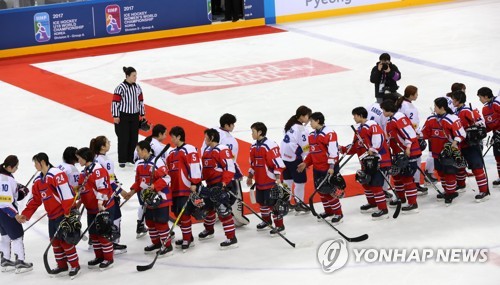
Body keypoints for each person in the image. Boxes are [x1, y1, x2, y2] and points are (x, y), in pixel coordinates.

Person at [17, 153, 80, 277]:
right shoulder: (38, 181)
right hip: (52, 216)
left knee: (66, 241)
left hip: (63, 214)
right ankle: (62, 265)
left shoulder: (56, 174)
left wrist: (67, 212)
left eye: (36, 163)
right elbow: (35, 200)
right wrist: (25, 214)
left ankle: (75, 265)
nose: (35, 165)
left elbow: (67, 194)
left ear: (42, 162)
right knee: (55, 241)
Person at [342, 108, 392, 219]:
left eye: (354, 115)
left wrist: (373, 149)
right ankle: (373, 203)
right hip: (367, 163)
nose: (353, 118)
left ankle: (383, 209)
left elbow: (377, 142)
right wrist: (342, 149)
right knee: (365, 182)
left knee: (375, 185)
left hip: (378, 161)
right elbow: (355, 146)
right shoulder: (359, 130)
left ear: (360, 115)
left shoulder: (372, 126)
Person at [201, 113, 249, 227]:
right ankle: (238, 217)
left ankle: (217, 214)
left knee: (213, 195)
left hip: (211, 172)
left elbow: (204, 151)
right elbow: (230, 160)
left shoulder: (212, 132)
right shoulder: (229, 140)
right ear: (227, 125)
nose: (233, 126)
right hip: (224, 173)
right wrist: (237, 173)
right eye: (232, 124)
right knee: (234, 194)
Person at [126, 140, 173, 256]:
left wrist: (154, 186)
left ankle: (167, 246)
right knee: (150, 222)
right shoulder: (140, 164)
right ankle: (156, 243)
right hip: (148, 199)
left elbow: (167, 178)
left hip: (160, 198)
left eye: (138, 150)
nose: (137, 153)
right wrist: (131, 192)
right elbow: (138, 181)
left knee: (161, 222)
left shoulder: (158, 162)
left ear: (145, 150)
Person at [297, 113, 344, 224]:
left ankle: (338, 214)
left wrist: (332, 167)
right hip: (317, 169)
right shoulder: (312, 135)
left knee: (330, 192)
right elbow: (312, 152)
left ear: (318, 121)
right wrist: (305, 163)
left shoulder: (329, 133)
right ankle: (329, 211)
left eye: (311, 121)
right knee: (321, 191)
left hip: (328, 168)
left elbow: (333, 152)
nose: (310, 124)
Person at [75, 147, 115, 270]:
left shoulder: (98, 170)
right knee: (94, 235)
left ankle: (108, 258)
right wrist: (80, 202)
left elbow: (103, 188)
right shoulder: (84, 172)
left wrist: (100, 203)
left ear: (85, 158)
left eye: (79, 158)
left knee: (103, 234)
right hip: (91, 209)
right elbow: (84, 190)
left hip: (102, 208)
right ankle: (99, 256)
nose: (78, 161)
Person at [421, 98, 466, 205]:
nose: (434, 108)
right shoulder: (431, 119)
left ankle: (450, 193)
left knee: (449, 173)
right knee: (441, 173)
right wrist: (417, 136)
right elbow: (425, 132)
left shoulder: (453, 119)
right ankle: (447, 190)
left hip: (449, 153)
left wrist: (455, 142)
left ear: (442, 108)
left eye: (436, 106)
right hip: (436, 153)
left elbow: (461, 134)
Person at [199, 128, 238, 249]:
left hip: (221, 186)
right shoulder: (206, 152)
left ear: (211, 138)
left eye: (206, 137)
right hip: (210, 186)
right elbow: (205, 171)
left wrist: (224, 183)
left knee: (223, 211)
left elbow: (230, 168)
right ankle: (209, 230)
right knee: (208, 208)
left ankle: (231, 238)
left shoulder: (222, 149)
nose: (204, 140)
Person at [381, 100, 422, 213]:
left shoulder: (398, 118)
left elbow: (410, 134)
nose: (382, 112)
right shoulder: (391, 120)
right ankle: (401, 198)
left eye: (383, 110)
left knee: (407, 177)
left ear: (387, 109)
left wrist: (408, 147)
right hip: (398, 153)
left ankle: (413, 204)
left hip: (408, 153)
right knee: (397, 176)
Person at [90, 136, 130, 253]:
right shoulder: (106, 161)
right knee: (115, 216)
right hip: (106, 194)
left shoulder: (94, 158)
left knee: (99, 217)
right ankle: (113, 243)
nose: (109, 143)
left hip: (95, 193)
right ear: (102, 147)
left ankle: (96, 242)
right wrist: (121, 192)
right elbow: (110, 181)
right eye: (108, 142)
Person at [246, 122, 287, 235]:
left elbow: (278, 163)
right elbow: (253, 164)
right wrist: (250, 177)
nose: (252, 134)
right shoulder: (253, 146)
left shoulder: (270, 145)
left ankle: (279, 226)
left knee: (273, 204)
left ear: (260, 132)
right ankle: (266, 221)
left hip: (270, 181)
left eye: (253, 132)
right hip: (259, 180)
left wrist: (278, 178)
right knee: (262, 202)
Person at [166, 126, 202, 251]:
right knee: (177, 214)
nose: (171, 139)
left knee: (185, 214)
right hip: (175, 188)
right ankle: (189, 236)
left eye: (173, 137)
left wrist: (194, 182)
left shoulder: (189, 149)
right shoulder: (171, 153)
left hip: (186, 188)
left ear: (179, 137)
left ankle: (187, 239)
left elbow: (195, 166)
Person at [450, 91, 490, 201]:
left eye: (453, 99)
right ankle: (461, 185)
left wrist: (474, 132)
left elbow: (481, 124)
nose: (452, 101)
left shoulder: (467, 111)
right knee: (459, 164)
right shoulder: (455, 111)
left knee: (476, 167)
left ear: (458, 100)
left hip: (471, 144)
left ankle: (484, 191)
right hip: (460, 143)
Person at [0, 155, 33, 273]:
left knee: (5, 235)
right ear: (9, 167)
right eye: (16, 167)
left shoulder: (5, 176)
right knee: (17, 235)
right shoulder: (6, 180)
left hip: (1, 214)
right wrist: (15, 215)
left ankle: (5, 260)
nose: (17, 169)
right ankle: (20, 262)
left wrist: (18, 191)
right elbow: (4, 202)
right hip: (6, 212)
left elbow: (12, 195)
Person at [395, 85, 428, 195]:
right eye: (416, 93)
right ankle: (415, 184)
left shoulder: (400, 104)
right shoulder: (409, 107)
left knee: (404, 161)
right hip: (410, 137)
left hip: (400, 137)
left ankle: (406, 185)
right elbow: (413, 125)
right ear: (411, 95)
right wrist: (419, 134)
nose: (417, 95)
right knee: (416, 160)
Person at [112, 66, 145, 168]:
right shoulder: (120, 88)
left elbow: (141, 101)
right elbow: (115, 103)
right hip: (123, 116)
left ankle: (130, 158)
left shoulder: (138, 87)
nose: (135, 77)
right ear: (127, 76)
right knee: (123, 138)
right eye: (133, 76)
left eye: (136, 75)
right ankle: (122, 159)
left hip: (134, 116)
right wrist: (116, 115)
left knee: (134, 138)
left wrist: (142, 114)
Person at [280, 106, 312, 214]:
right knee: (300, 182)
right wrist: (306, 158)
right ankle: (299, 203)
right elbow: (305, 146)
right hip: (294, 158)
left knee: (287, 181)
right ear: (302, 116)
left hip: (284, 157)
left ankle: (285, 202)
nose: (309, 118)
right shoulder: (301, 129)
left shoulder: (290, 125)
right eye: (308, 116)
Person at [477, 87, 500, 187]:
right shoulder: (485, 108)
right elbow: (489, 124)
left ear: (486, 96)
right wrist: (481, 130)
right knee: (498, 157)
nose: (480, 99)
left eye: (480, 97)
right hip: (497, 135)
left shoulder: (498, 103)